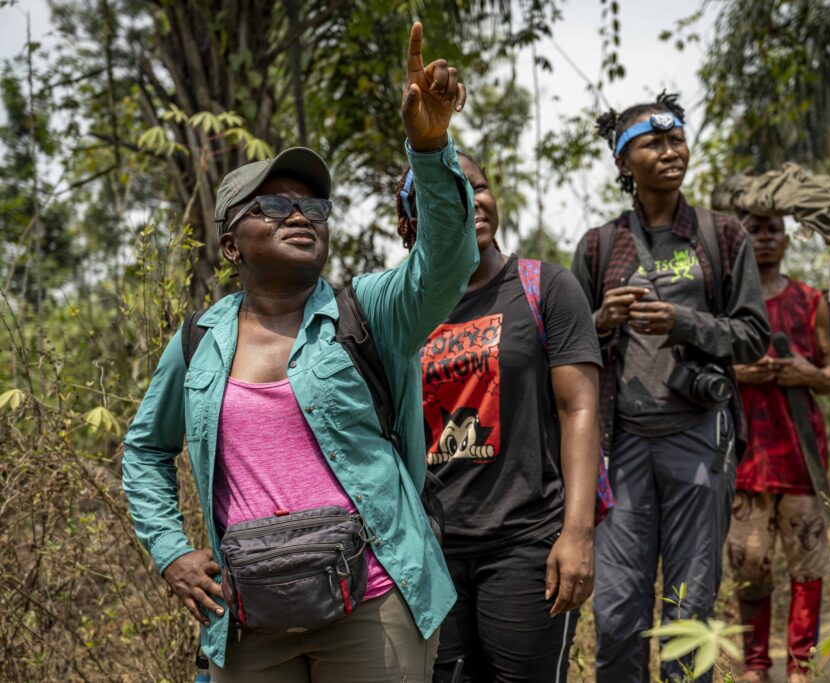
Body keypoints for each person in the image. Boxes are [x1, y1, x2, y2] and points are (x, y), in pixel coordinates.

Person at [121, 23, 474, 681]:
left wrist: (429, 148)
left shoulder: (369, 311)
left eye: (314, 203)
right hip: (249, 618)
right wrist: (171, 551)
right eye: (276, 203)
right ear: (231, 243)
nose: (302, 213)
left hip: (372, 605)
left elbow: (446, 262)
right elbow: (142, 449)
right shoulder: (197, 343)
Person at [570, 91, 770, 683]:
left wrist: (684, 323)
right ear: (623, 163)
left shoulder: (721, 235)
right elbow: (568, 349)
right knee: (617, 613)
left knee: (689, 611)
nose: (669, 151)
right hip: (622, 444)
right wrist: (602, 321)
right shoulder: (599, 245)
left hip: (699, 439)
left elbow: (755, 335)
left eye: (675, 139)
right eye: (651, 143)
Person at [395, 150, 602, 682]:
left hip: (526, 542)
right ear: (409, 221)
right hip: (432, 551)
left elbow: (578, 409)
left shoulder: (547, 288)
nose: (470, 200)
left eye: (478, 187)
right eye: (444, 192)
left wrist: (576, 534)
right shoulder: (398, 311)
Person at [727, 212, 830, 683]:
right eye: (756, 230)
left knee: (806, 560)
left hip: (800, 452)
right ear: (744, 239)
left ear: (787, 240)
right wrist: (741, 373)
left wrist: (804, 373)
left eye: (774, 230)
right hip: (747, 452)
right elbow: (711, 363)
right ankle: (755, 665)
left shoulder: (812, 300)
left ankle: (801, 664)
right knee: (749, 562)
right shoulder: (730, 302)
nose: (766, 238)